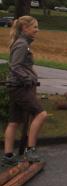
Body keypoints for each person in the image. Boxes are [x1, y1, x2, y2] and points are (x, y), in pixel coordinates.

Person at [2, 16, 48, 165]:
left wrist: (32, 75)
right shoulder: (22, 44)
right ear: (25, 29)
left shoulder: (23, 43)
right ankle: (30, 150)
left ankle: (8, 156)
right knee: (41, 114)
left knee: (14, 121)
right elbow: (15, 66)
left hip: (16, 87)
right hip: (20, 88)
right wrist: (28, 78)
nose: (37, 30)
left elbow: (23, 66)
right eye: (34, 27)